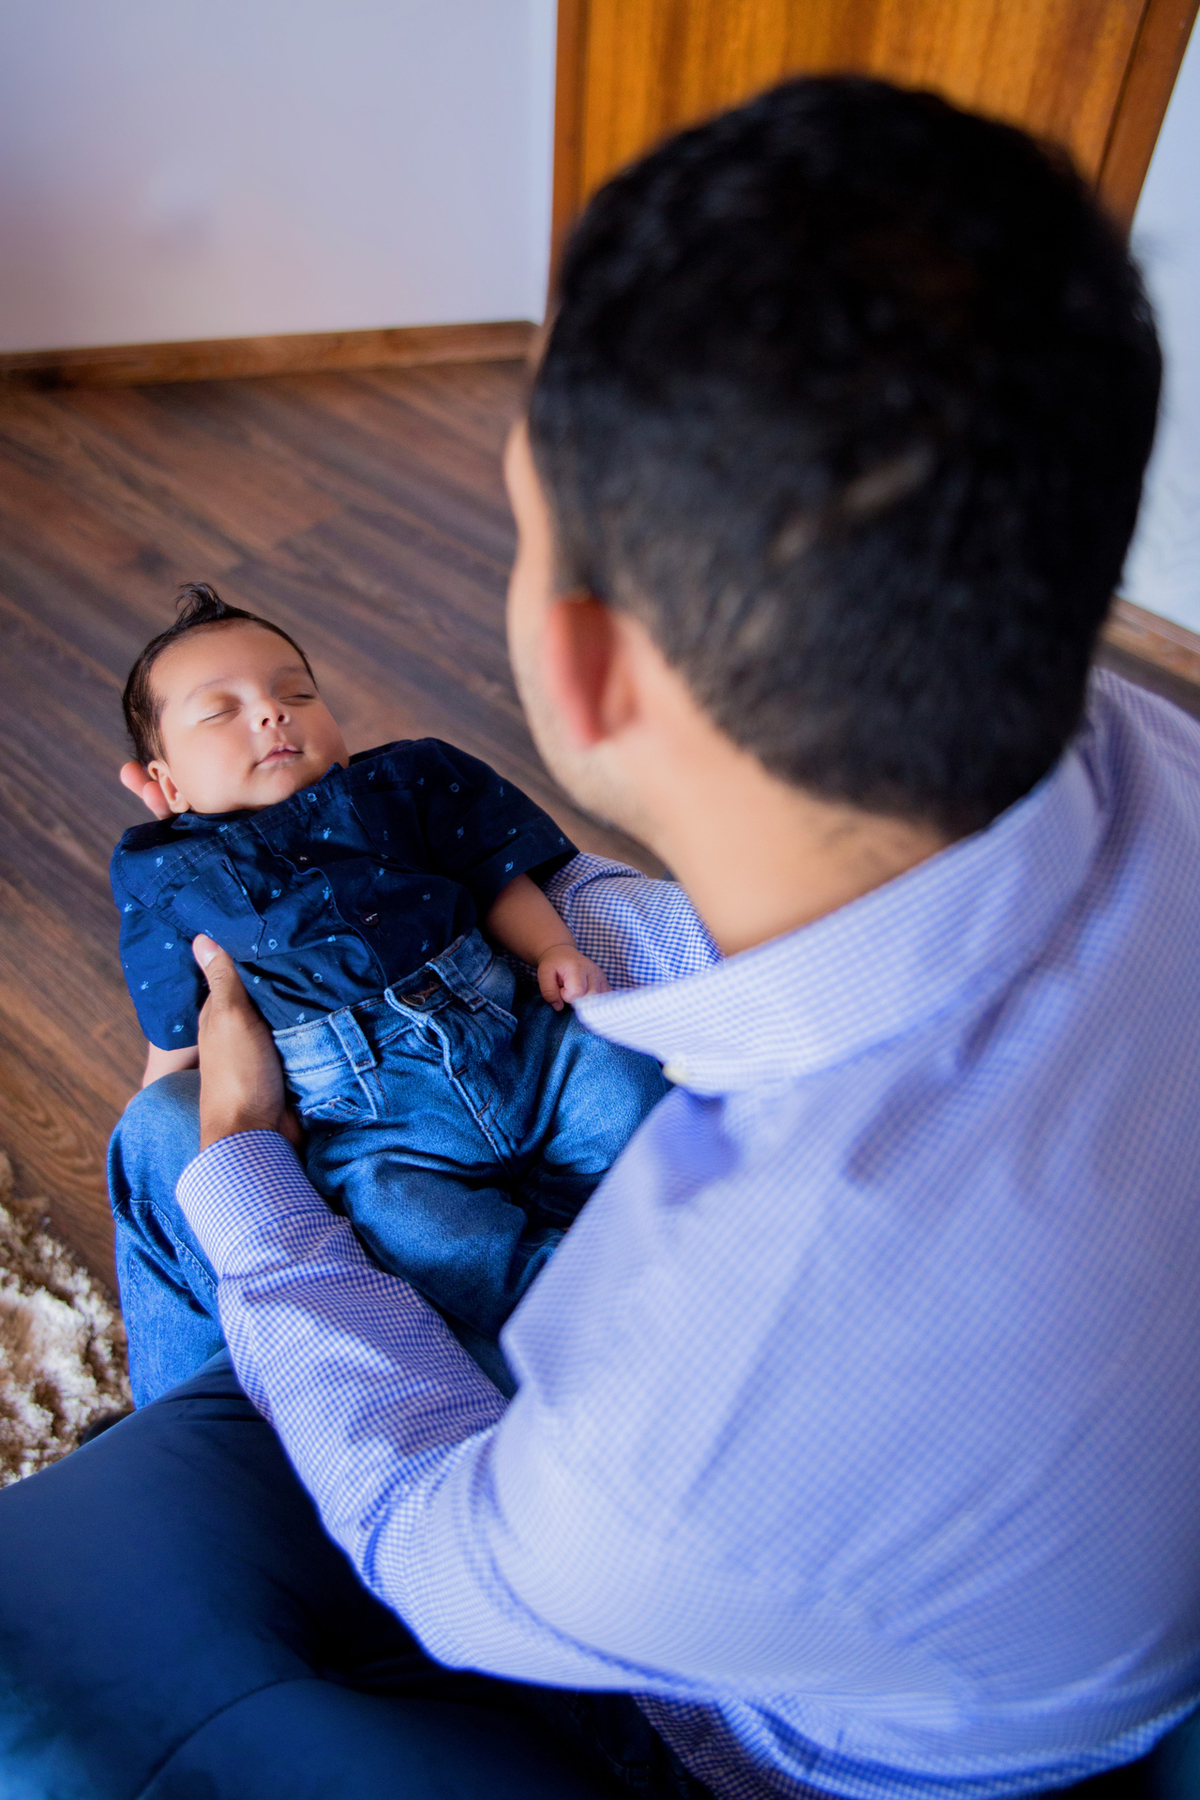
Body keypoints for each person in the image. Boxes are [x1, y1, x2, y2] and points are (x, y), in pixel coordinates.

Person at [2, 73, 1199, 1800]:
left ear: (573, 667)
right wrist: (576, 935)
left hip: (763, 1722)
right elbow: (622, 913)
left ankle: (217, 1428)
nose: (276, 720)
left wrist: (256, 1162)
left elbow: (441, 1543)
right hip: (1042, 1556)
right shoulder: (1154, 750)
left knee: (169, 1148)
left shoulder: (667, 1435)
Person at [110, 583, 666, 1388]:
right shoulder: (168, 872)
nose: (272, 713)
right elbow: (177, 1032)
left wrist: (552, 945)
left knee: (622, 1082)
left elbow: (491, 871)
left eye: (294, 691)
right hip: (371, 1119)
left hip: (516, 1038)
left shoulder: (403, 782)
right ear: (164, 787)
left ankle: (666, 1241)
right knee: (416, 1231)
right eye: (220, 712)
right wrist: (156, 1110)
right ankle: (570, 1311)